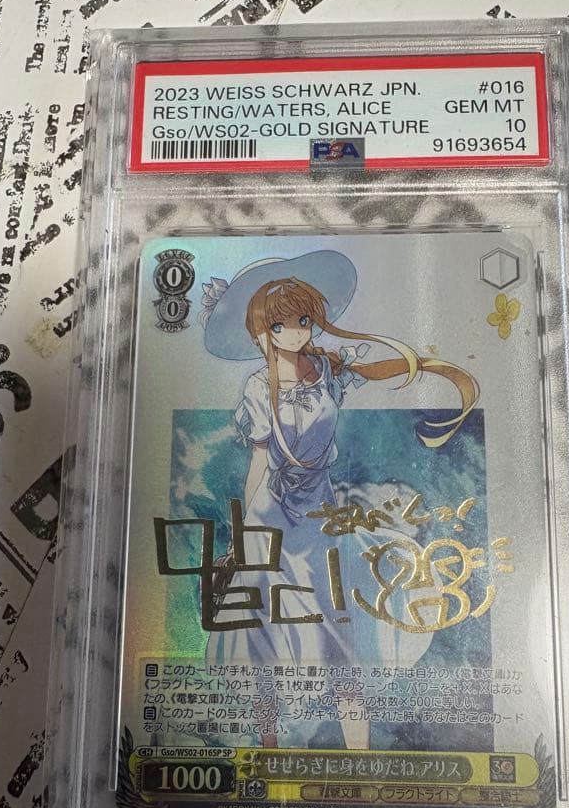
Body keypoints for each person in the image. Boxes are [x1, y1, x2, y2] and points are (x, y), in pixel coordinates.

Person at [199, 250, 479, 749]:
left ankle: (359, 760)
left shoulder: (327, 370)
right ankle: (269, 751)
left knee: (339, 635)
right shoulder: (259, 389)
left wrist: (422, 364)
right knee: (262, 631)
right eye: (280, 325)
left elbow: (373, 371)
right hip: (269, 515)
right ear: (262, 332)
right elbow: (258, 461)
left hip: (319, 515)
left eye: (303, 320)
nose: (295, 332)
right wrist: (244, 537)